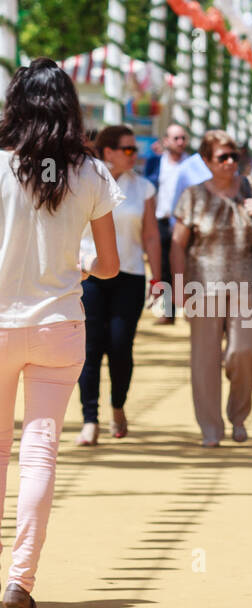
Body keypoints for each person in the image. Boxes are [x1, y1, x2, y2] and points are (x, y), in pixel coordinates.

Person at [0, 58, 122, 608]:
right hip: (58, 325)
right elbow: (111, 265)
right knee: (39, 453)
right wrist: (74, 266)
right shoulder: (91, 174)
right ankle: (21, 577)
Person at [171, 130, 252, 446]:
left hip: (247, 285)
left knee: (243, 352)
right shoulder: (193, 195)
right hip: (203, 286)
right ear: (206, 161)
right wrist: (177, 287)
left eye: (235, 155)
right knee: (204, 358)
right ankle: (210, 427)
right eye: (223, 157)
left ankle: (239, 416)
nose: (231, 162)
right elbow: (177, 244)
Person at [76, 125, 163, 446]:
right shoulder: (84, 181)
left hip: (129, 276)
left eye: (134, 149)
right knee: (90, 349)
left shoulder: (144, 188)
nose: (134, 154)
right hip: (89, 276)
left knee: (121, 347)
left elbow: (151, 235)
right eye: (127, 149)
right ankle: (90, 419)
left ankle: (118, 406)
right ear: (107, 151)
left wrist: (158, 279)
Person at [144, 123, 190, 326]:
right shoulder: (155, 163)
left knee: (185, 266)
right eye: (176, 138)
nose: (180, 142)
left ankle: (192, 308)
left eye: (183, 138)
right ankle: (168, 311)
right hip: (161, 221)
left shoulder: (192, 164)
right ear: (166, 141)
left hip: (186, 223)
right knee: (162, 267)